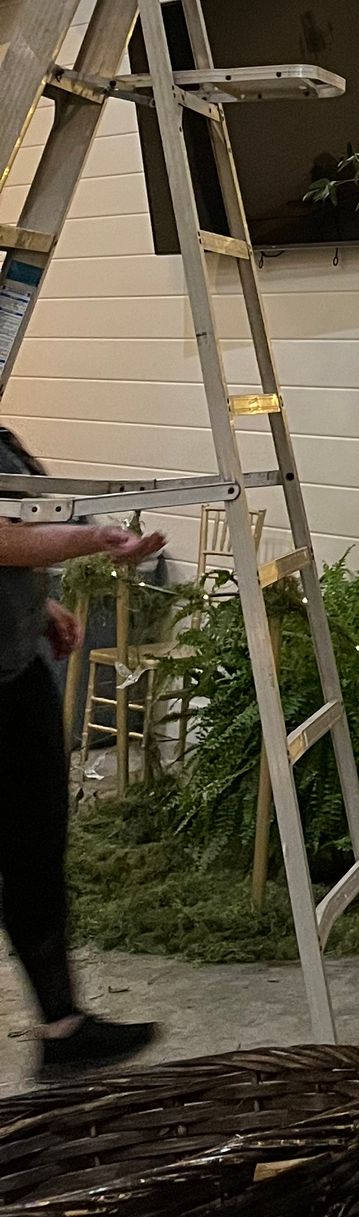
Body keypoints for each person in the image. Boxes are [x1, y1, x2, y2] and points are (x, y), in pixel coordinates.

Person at [0, 424, 164, 1073]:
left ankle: (64, 1029)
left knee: (36, 852)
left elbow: (24, 514)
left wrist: (38, 606)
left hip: (15, 672)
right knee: (24, 850)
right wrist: (94, 540)